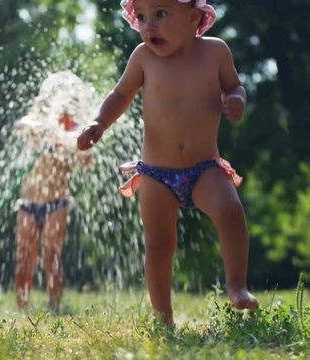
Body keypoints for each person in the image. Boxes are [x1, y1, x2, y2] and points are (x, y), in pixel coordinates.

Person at [77, 0, 259, 325]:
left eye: (160, 14)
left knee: (230, 211)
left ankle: (237, 285)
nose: (149, 26)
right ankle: (163, 317)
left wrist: (237, 100)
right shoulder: (143, 58)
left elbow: (234, 85)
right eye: (143, 17)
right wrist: (98, 123)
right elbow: (120, 95)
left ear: (193, 17)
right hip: (156, 174)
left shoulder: (215, 53)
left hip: (204, 168)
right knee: (159, 242)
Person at [13, 71, 92, 311]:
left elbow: (87, 163)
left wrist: (72, 143)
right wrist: (45, 128)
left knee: (50, 255)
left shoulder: (73, 132)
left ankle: (54, 306)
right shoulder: (36, 123)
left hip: (57, 203)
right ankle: (22, 308)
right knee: (24, 257)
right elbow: (19, 127)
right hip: (28, 202)